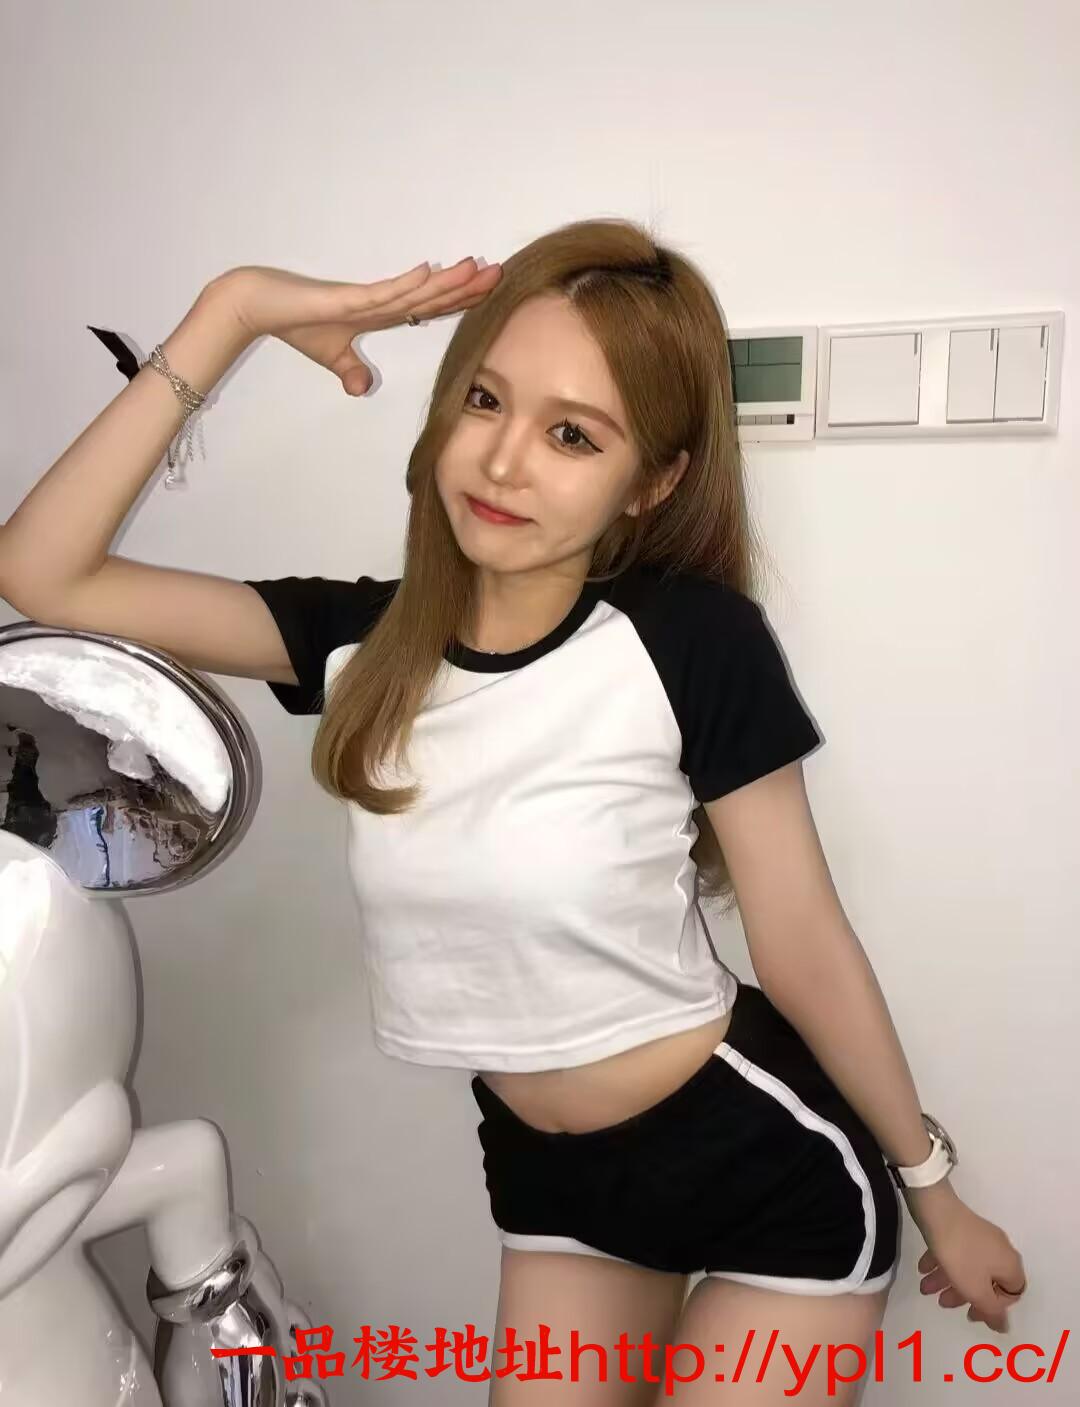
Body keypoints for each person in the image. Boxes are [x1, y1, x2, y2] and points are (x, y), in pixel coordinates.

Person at [0, 219, 1025, 1404]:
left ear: (654, 482)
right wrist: (233, 311)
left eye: (572, 434)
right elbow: (43, 570)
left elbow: (802, 943)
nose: (502, 461)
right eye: (485, 401)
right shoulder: (367, 643)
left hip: (759, 1169)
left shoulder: (688, 640)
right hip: (550, 1185)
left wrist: (936, 1189)